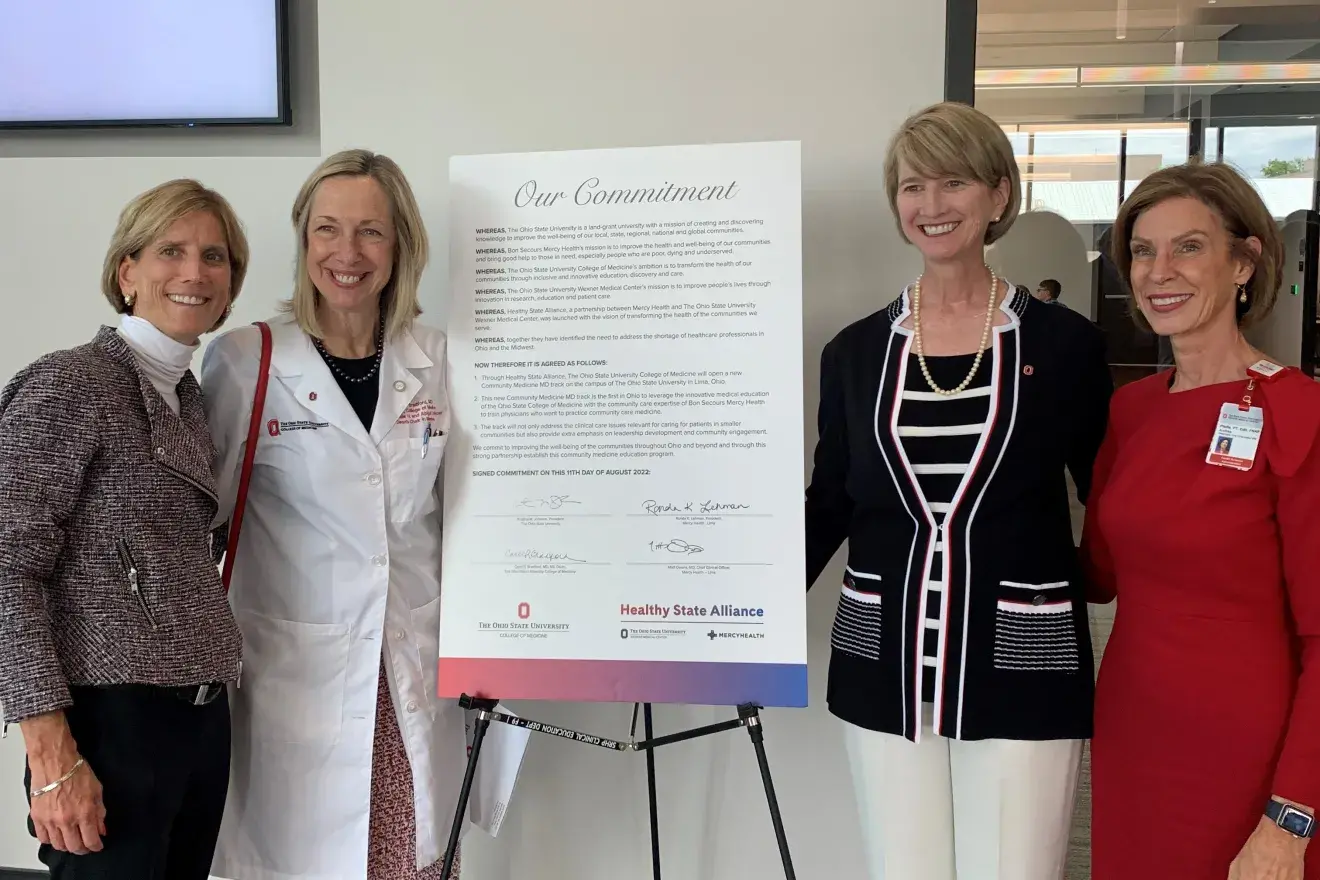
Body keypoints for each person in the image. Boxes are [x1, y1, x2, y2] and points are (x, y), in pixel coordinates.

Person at [804, 100, 1113, 880]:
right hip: (885, 663)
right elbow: (831, 502)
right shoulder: (855, 353)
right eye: (913, 187)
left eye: (953, 183)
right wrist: (733, 612)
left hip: (1023, 663)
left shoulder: (1065, 345)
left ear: (998, 195)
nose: (931, 206)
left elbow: (1111, 498)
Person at [202, 149, 467, 880]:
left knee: (410, 859)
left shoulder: (441, 360)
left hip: (412, 667)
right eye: (328, 230)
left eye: (371, 233)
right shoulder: (245, 363)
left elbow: (468, 518)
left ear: (402, 245)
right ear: (303, 239)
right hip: (294, 679)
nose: (347, 254)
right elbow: (201, 522)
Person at [0, 179, 248, 878]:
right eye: (170, 250)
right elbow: (6, 565)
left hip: (199, 721)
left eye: (215, 257)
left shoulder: (189, 402)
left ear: (231, 287)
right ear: (127, 271)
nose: (194, 272)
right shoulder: (70, 383)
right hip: (110, 724)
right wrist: (49, 753)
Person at [1083, 161, 1320, 879]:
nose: (1160, 271)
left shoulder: (1297, 412)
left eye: (1188, 247)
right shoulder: (1134, 410)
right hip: (1131, 730)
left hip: (1247, 756)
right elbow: (1097, 573)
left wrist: (1292, 816)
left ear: (1245, 260)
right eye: (1143, 250)